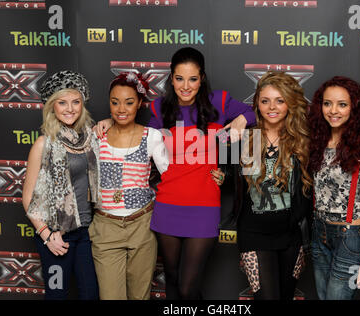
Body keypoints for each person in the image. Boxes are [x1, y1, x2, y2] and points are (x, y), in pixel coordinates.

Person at [95, 47, 255, 299]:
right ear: (171, 78)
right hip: (168, 203)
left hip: (203, 204)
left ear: (201, 78)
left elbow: (256, 112)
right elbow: (138, 136)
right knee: (171, 278)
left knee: (188, 286)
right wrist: (108, 122)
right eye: (179, 78)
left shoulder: (219, 102)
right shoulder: (160, 109)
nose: (186, 86)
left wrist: (241, 120)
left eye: (193, 79)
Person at [89, 72, 169, 300]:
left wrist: (209, 176)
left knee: (139, 296)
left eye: (129, 102)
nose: (121, 109)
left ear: (140, 104)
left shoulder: (152, 136)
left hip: (141, 226)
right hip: (106, 227)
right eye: (115, 102)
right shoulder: (97, 136)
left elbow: (171, 176)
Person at [234, 71, 312, 300]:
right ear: (257, 103)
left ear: (290, 103)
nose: (272, 107)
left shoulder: (301, 139)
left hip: (291, 236)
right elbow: (216, 145)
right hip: (253, 234)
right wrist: (244, 117)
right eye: (265, 100)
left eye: (280, 100)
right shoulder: (247, 137)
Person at [22, 70, 99, 300]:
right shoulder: (43, 144)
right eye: (62, 102)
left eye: (76, 102)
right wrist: (47, 235)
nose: (70, 108)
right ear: (52, 107)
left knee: (90, 295)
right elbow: (27, 198)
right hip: (56, 236)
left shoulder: (90, 139)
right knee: (57, 295)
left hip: (85, 232)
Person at [308, 76, 360, 300]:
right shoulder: (316, 142)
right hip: (318, 232)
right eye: (327, 103)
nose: (333, 111)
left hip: (350, 236)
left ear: (354, 108)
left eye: (342, 104)